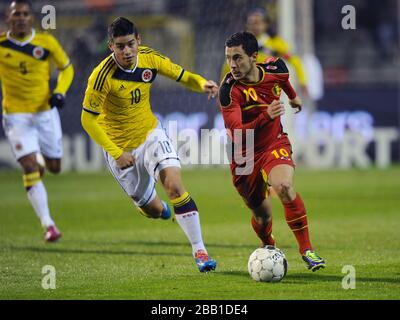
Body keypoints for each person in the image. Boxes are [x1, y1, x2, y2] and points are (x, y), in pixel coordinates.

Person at [81, 17, 218, 272]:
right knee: (153, 209)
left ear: (139, 40)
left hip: (150, 135)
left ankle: (200, 251)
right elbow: (87, 120)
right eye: (120, 46)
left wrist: (202, 83)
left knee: (175, 185)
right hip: (121, 149)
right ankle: (161, 208)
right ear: (111, 46)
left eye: (130, 44)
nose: (127, 51)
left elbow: (182, 75)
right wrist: (116, 152)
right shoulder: (100, 77)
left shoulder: (149, 58)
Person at [219, 31, 325, 271]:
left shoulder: (277, 68)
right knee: (262, 216)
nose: (232, 65)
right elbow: (237, 132)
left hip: (273, 144)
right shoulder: (229, 90)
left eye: (237, 58)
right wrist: (266, 116)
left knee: (284, 187)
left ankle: (307, 249)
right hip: (242, 155)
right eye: (228, 58)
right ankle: (268, 244)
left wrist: (294, 97)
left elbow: (284, 80)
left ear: (254, 57)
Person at [0, 0, 74, 242]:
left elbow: (67, 68)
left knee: (54, 167)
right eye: (15, 14)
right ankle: (49, 225)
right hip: (16, 115)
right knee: (29, 167)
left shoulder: (46, 42)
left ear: (31, 18)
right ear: (7, 18)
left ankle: (41, 159)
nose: (20, 17)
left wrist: (60, 91)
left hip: (45, 113)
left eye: (24, 13)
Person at [220, 7, 308, 97]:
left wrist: (302, 82)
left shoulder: (275, 43)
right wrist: (223, 91)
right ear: (246, 24)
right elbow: (228, 66)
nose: (255, 26)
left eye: (259, 23)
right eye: (252, 23)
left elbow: (295, 61)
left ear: (266, 24)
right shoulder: (238, 43)